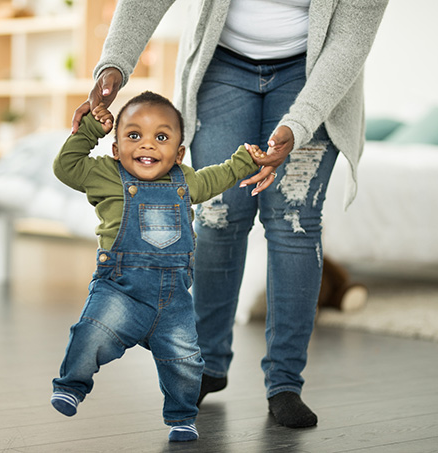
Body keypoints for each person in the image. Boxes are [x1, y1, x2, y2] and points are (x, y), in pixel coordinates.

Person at [72, 0, 389, 429]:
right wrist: (113, 65)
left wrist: (298, 124)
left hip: (312, 76)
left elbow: (350, 41)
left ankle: (285, 383)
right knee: (219, 216)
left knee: (293, 223)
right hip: (221, 66)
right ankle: (207, 365)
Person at [51, 91, 266, 442]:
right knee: (90, 333)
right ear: (116, 148)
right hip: (120, 291)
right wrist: (91, 127)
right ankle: (72, 385)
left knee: (185, 362)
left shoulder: (187, 180)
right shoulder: (106, 173)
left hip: (174, 300)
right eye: (134, 135)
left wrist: (245, 161)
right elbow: (66, 166)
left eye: (161, 137)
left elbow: (221, 176)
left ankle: (182, 417)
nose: (147, 145)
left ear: (179, 153)